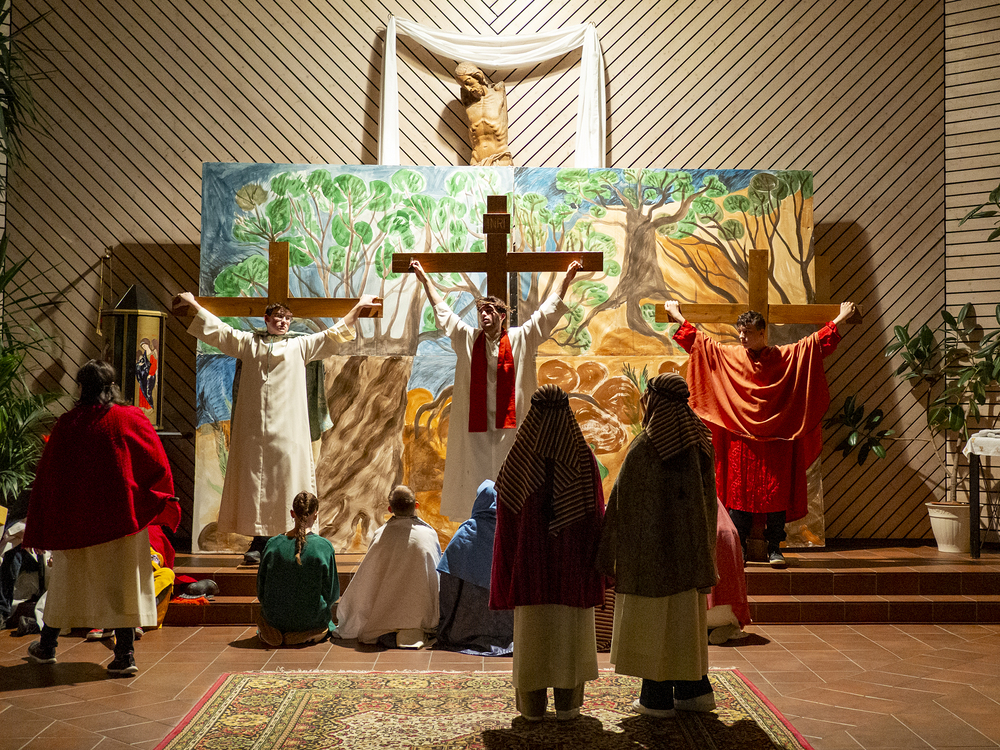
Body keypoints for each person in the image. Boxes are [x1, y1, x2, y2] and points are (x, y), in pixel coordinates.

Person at [174, 292, 380, 564]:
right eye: (278, 317)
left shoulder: (300, 345)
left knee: (287, 480)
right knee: (254, 484)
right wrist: (193, 305)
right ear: (267, 319)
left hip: (289, 430)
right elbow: (219, 331)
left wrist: (359, 307)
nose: (283, 322)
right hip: (253, 430)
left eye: (287, 318)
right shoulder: (248, 343)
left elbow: (333, 335)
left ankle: (291, 538)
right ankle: (259, 541)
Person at [663, 300, 858, 567]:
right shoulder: (731, 355)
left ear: (762, 332)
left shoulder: (784, 356)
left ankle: (775, 547)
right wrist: (676, 315)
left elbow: (814, 346)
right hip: (741, 441)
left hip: (777, 439)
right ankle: (739, 548)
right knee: (739, 496)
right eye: (740, 332)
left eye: (748, 332)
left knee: (776, 495)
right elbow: (701, 344)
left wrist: (841, 318)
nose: (742, 337)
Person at [22, 360, 179, 675]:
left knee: (66, 584)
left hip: (77, 522)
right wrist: (149, 499)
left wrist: (44, 522)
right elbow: (157, 462)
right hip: (122, 521)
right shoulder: (130, 417)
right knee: (123, 586)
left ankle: (47, 646)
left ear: (82, 388)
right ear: (113, 386)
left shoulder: (68, 424)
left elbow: (49, 478)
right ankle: (124, 655)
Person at [409, 259, 581, 522]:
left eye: (489, 311)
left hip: (512, 429)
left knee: (514, 483)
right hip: (475, 433)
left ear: (502, 316)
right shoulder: (467, 338)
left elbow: (546, 313)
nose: (484, 315)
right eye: (481, 311)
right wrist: (424, 280)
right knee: (475, 484)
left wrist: (566, 279)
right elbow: (442, 311)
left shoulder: (521, 338)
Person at [490, 384, 606, 722]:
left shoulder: (519, 459)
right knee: (570, 638)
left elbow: (505, 523)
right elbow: (596, 518)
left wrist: (510, 567)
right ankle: (568, 706)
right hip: (572, 568)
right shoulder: (583, 457)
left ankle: (532, 708)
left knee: (533, 639)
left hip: (531, 568)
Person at [333, 486, 442, 648]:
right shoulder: (428, 534)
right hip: (420, 611)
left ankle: (391, 629)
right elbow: (436, 574)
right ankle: (412, 630)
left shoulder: (380, 535)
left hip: (384, 613)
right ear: (416, 506)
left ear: (390, 509)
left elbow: (368, 577)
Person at [435, 480, 513, 656]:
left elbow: (448, 583)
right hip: (509, 628)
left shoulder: (465, 533)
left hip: (466, 628)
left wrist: (446, 622)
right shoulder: (510, 534)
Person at [256, 491, 339, 647]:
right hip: (311, 619)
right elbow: (332, 593)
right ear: (316, 515)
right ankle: (310, 632)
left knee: (265, 619)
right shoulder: (323, 547)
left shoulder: (273, 545)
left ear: (292, 513)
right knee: (324, 622)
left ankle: (272, 632)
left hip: (276, 618)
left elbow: (261, 589)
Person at [454, 62, 513, 166]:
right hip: (476, 161)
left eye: (468, 82)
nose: (468, 88)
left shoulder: (498, 93)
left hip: (500, 159)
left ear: (477, 76)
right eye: (464, 86)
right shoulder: (468, 102)